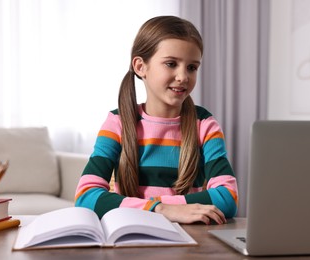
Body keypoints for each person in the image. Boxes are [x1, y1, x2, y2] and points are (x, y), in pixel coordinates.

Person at [75, 15, 238, 225]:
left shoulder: (205, 125)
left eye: (192, 67)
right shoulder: (117, 122)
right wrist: (161, 209)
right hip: (131, 235)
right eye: (171, 64)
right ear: (141, 67)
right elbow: (85, 196)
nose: (183, 77)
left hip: (190, 239)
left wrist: (143, 207)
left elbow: (228, 197)